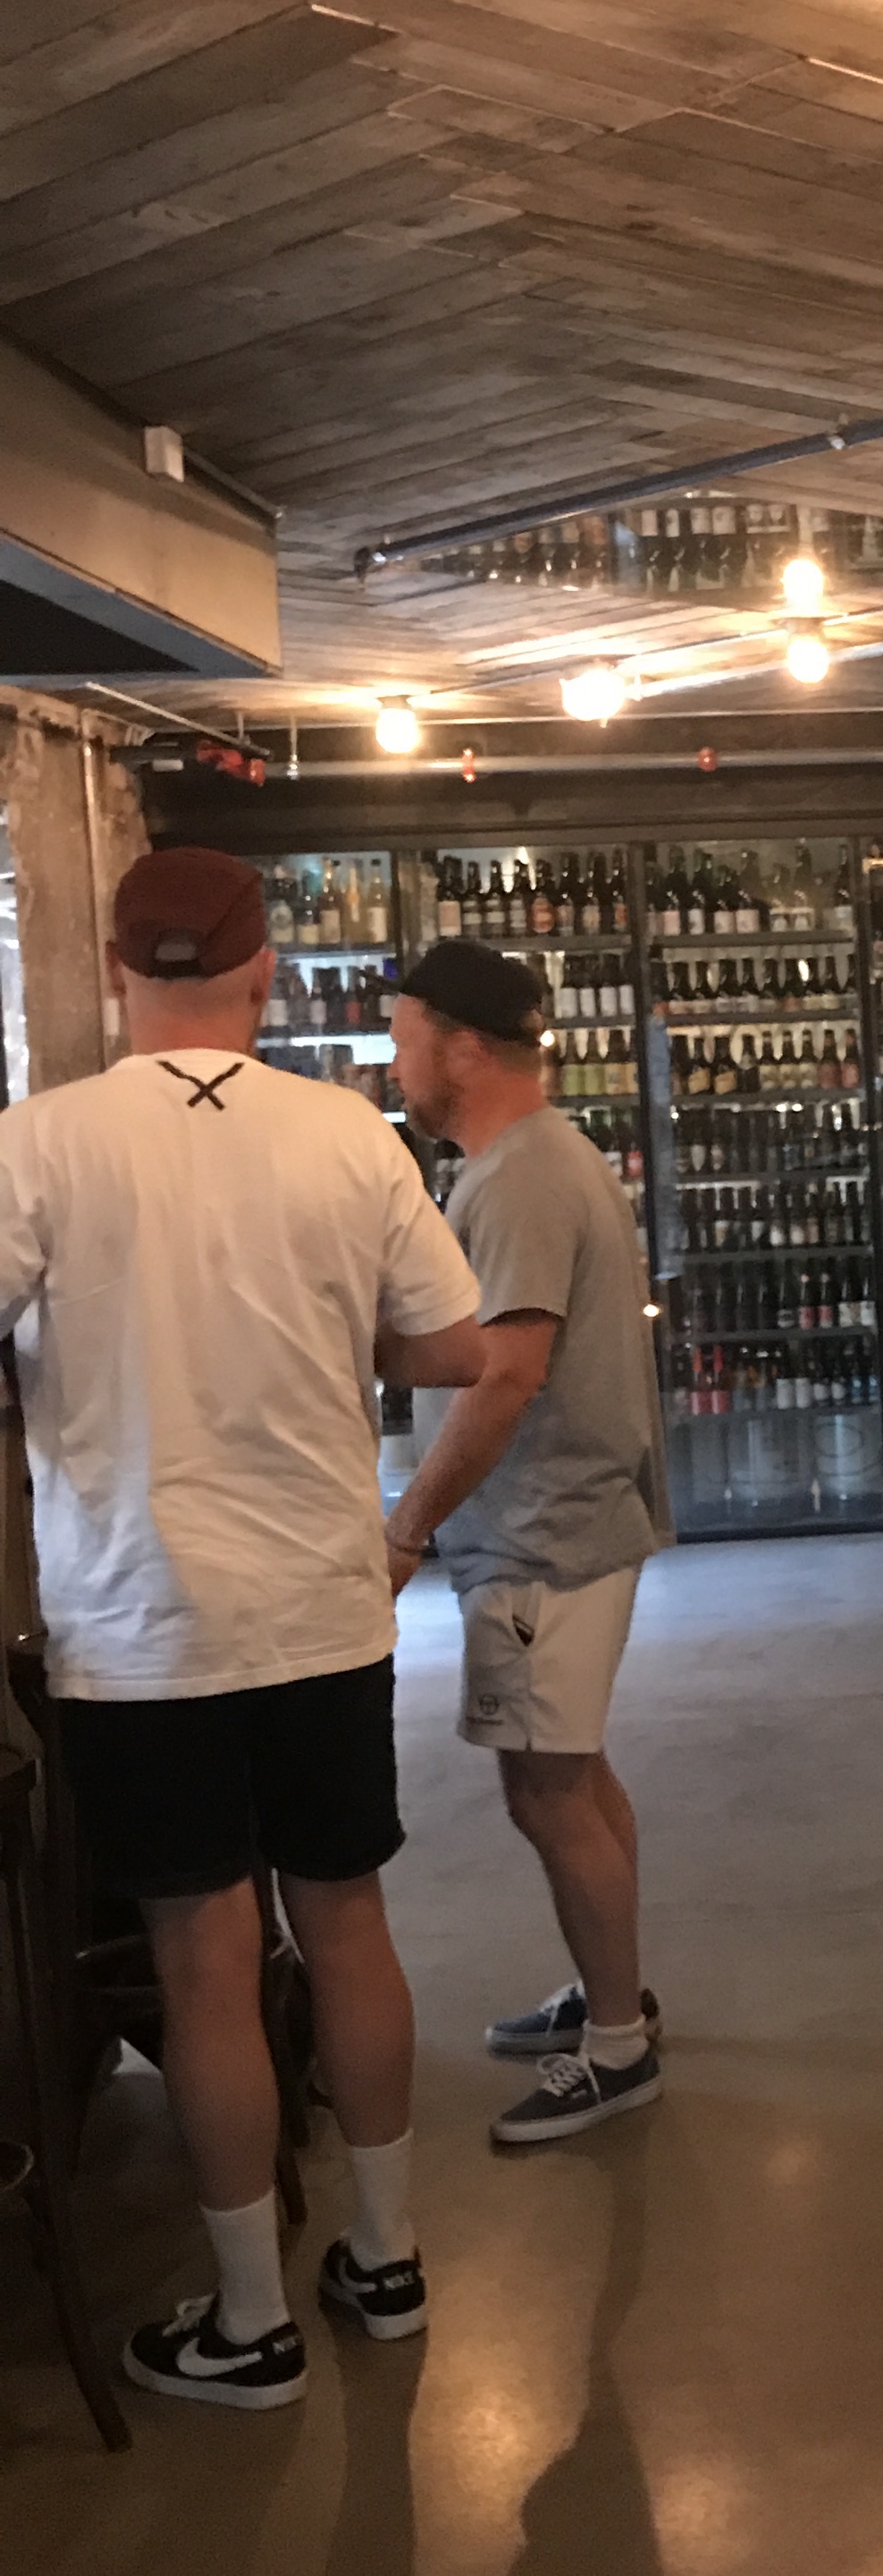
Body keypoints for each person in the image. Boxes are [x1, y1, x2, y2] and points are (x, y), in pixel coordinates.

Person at [0, 848, 485, 2409]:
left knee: (205, 1963)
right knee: (348, 1925)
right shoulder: (343, 1132)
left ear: (111, 969)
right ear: (267, 971)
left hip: (142, 1618)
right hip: (322, 1605)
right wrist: (329, 1336)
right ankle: (387, 2262)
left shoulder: (40, 1142)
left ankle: (249, 2322)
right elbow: (459, 1346)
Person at [384, 943, 674, 2147]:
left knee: (547, 1792)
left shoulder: (516, 1181)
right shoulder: (542, 1158)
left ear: (462, 1048)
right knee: (575, 1775)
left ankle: (615, 2049)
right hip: (565, 1521)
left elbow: (505, 1379)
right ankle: (616, 1995)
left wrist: (407, 1527)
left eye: (403, 1039)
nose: (393, 1064)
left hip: (542, 1533)